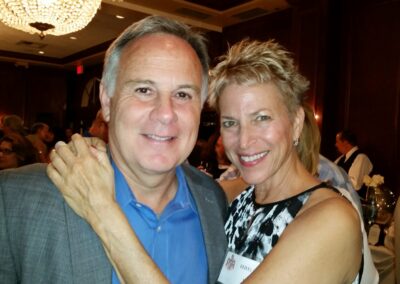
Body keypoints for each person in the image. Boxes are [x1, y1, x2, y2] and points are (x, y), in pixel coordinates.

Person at [48, 39, 378, 283]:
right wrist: (100, 151)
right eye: (231, 123)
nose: (244, 141)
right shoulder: (232, 196)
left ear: (294, 123)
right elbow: (162, 171)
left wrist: (102, 211)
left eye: (262, 118)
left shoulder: (330, 218)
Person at [0, 16, 227, 283]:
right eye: (144, 89)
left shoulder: (213, 200)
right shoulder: (15, 198)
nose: (166, 114)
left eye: (183, 95)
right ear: (107, 101)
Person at [335, 129, 373, 199]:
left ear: (345, 143)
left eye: (337, 142)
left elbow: (355, 185)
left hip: (354, 202)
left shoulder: (361, 158)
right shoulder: (341, 158)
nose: (336, 145)